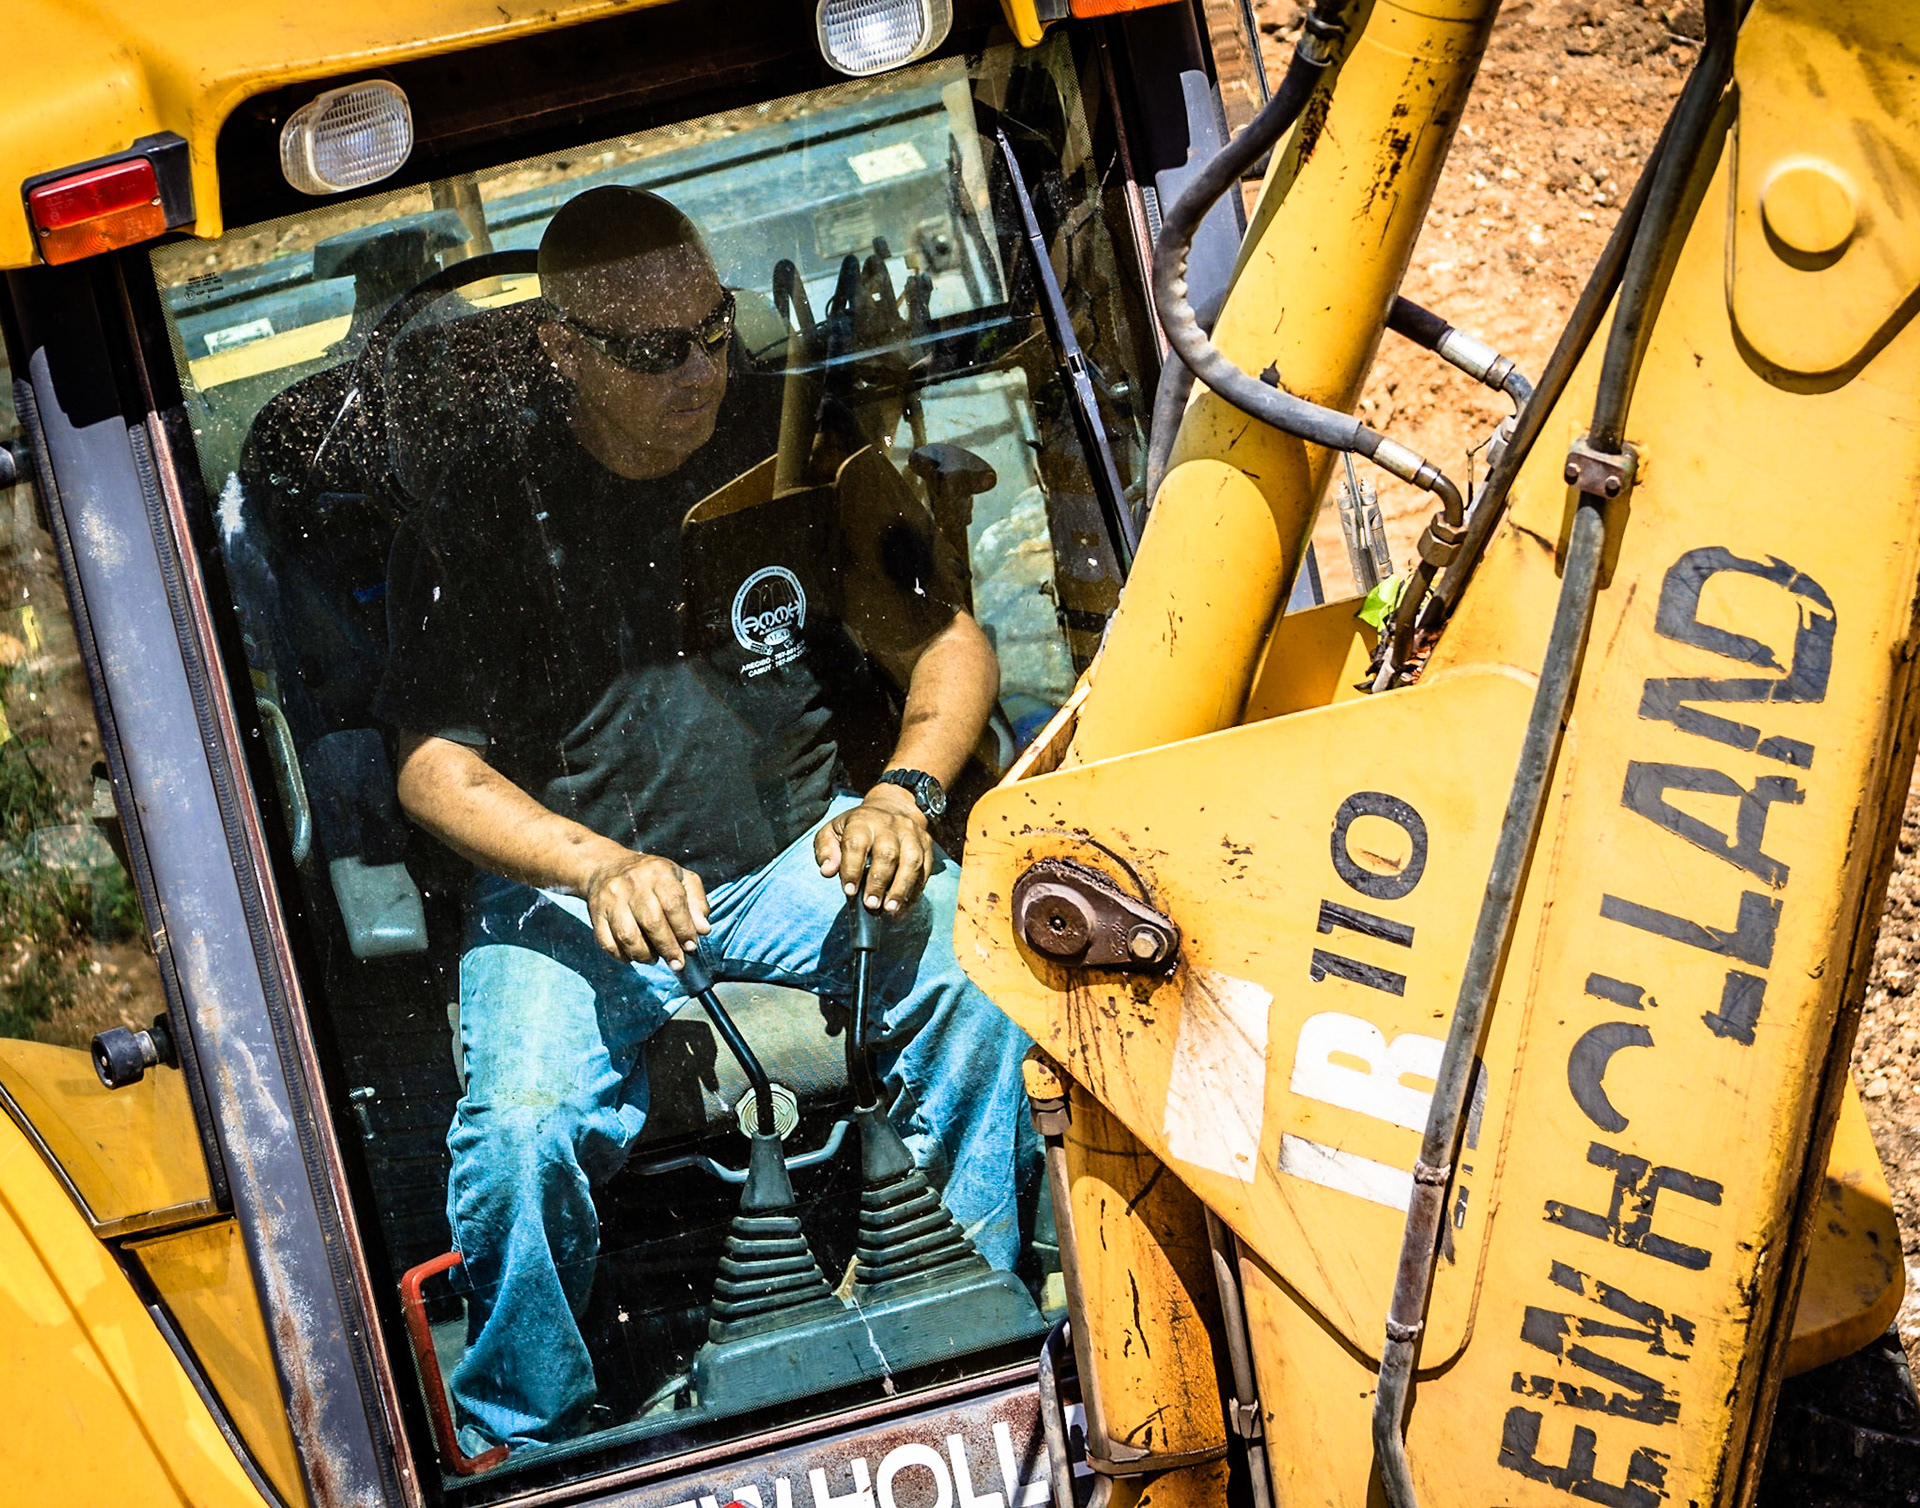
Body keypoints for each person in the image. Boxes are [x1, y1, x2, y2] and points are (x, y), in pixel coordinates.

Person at [375, 185, 1036, 1454]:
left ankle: (973, 1308)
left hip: (796, 855)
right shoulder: (481, 514)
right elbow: (433, 770)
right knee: (520, 1126)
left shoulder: (790, 453)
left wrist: (906, 787)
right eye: (651, 350)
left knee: (980, 972)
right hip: (572, 892)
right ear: (563, 348)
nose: (698, 371)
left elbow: (944, 641)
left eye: (713, 331)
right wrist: (599, 862)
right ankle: (536, 1429)